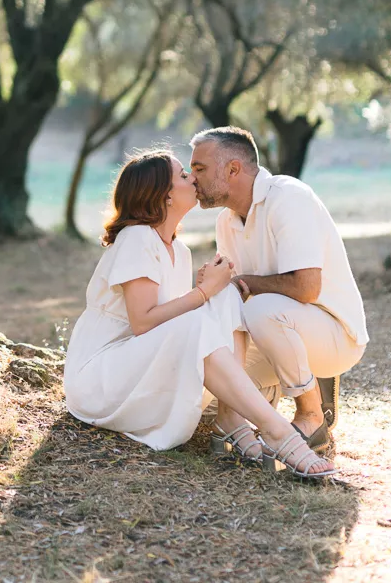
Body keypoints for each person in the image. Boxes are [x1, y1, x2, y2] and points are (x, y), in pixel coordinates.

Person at [64, 149, 335, 478]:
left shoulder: (179, 249)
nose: (192, 178)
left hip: (137, 367)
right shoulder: (137, 238)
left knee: (230, 296)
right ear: (163, 195)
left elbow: (173, 325)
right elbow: (144, 322)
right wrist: (203, 292)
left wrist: (212, 291)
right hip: (101, 380)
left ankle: (231, 417)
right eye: (182, 175)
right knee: (203, 310)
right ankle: (279, 432)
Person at [190, 127, 368, 454]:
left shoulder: (288, 197)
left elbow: (306, 286)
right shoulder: (226, 222)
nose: (191, 178)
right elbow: (234, 296)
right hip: (274, 331)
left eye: (199, 168)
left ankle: (311, 417)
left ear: (233, 169)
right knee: (205, 379)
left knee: (259, 309)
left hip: (333, 333)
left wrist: (246, 283)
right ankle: (240, 413)